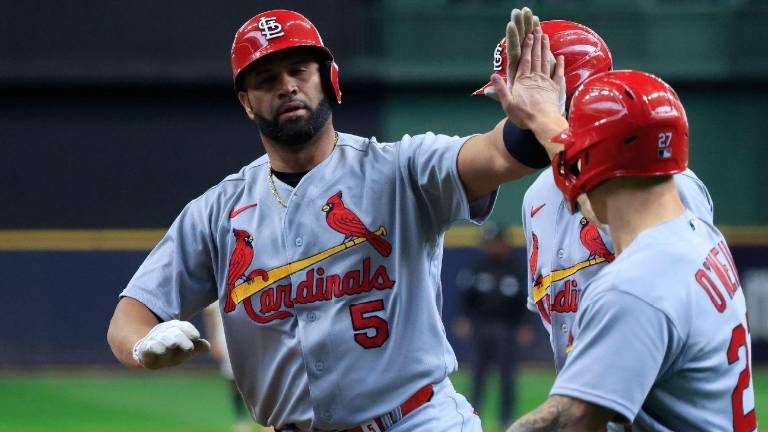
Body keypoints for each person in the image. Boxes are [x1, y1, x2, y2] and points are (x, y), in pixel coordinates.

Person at [106, 7, 566, 432]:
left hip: (418, 421)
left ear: (328, 79)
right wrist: (143, 346)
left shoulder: (401, 168)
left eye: (299, 70)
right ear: (246, 102)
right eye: (266, 79)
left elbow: (502, 155)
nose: (286, 86)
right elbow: (129, 318)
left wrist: (538, 116)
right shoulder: (216, 213)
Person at [475, 20, 715, 431]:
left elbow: (674, 309)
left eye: (523, 100)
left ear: (566, 97)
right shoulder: (536, 198)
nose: (513, 117)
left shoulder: (667, 187)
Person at [501, 68, 756, 430]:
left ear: (590, 162)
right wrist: (545, 119)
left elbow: (571, 420)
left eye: (577, 152)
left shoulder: (633, 287)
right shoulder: (697, 235)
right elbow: (606, 205)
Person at [453, 222, 531, 425]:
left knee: (507, 375)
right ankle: (472, 417)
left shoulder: (516, 267)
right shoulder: (478, 266)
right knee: (478, 374)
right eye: (489, 242)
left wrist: (524, 325)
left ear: (504, 243)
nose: (492, 246)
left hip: (506, 327)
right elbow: (466, 296)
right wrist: (463, 318)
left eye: (495, 242)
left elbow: (525, 299)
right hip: (481, 326)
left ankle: (506, 419)